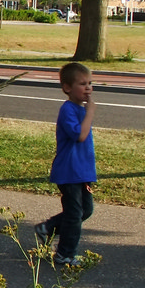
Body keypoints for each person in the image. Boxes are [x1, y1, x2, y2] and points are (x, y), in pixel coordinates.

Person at [34, 62, 97, 267]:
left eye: (90, 83)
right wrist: (90, 112)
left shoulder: (80, 109)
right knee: (74, 214)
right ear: (67, 88)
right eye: (82, 84)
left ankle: (48, 228)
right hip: (69, 171)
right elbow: (80, 136)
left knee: (85, 210)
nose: (88, 88)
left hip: (83, 172)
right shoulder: (68, 110)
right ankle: (65, 254)